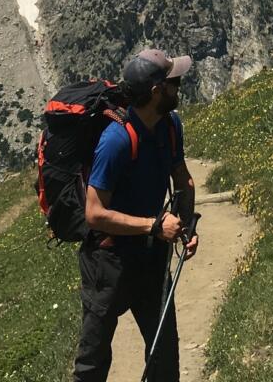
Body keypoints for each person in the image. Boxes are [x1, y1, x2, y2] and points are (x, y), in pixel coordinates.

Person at [73, 48, 198, 382]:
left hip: (150, 256)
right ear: (156, 91)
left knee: (164, 357)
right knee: (93, 360)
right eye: (174, 82)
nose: (179, 87)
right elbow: (94, 213)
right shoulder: (115, 140)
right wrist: (154, 225)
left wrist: (185, 224)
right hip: (109, 260)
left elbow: (182, 178)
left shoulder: (169, 125)